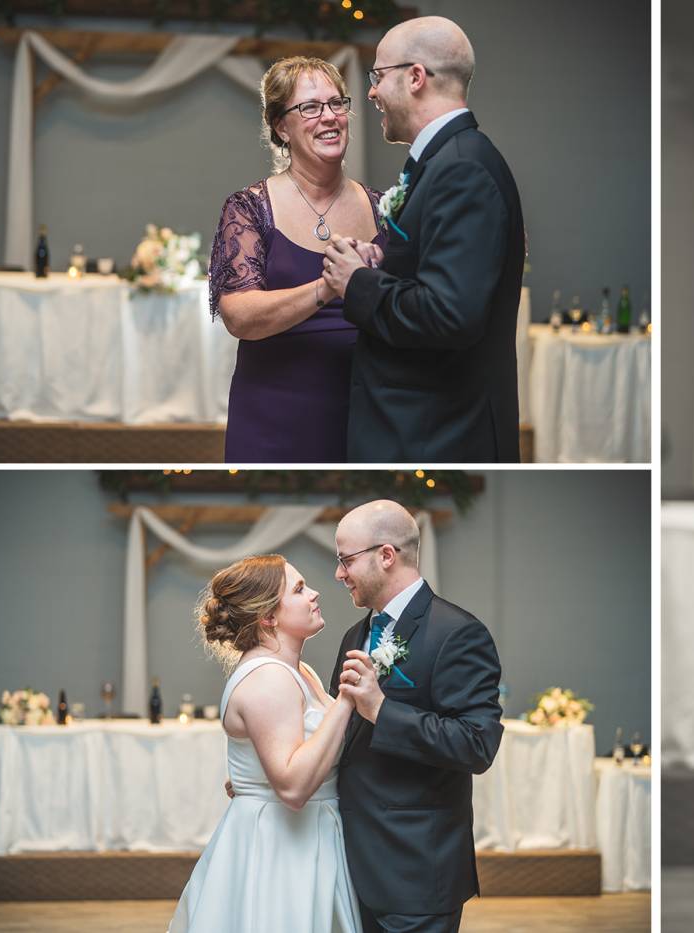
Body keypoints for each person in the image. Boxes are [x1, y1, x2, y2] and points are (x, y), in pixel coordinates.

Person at [322, 16, 526, 463]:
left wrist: (357, 282)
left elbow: (450, 315)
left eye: (378, 76)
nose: (371, 92)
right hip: (424, 425)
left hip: (438, 432)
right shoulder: (448, 160)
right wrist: (381, 266)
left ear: (415, 77)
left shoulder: (462, 169)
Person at [330, 499, 504, 932]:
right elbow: (341, 738)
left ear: (386, 555)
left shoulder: (457, 633)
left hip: (417, 871)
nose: (338, 574)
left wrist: (382, 710)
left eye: (346, 560)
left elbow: (477, 744)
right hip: (351, 867)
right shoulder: (354, 635)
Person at [170, 555, 362, 932]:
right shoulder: (268, 679)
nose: (314, 593)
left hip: (309, 836)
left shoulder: (298, 671)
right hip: (279, 849)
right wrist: (346, 701)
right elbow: (292, 787)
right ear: (269, 617)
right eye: (299, 589)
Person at [209, 56, 386, 462]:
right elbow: (240, 316)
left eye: (336, 103)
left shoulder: (384, 208)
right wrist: (329, 286)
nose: (329, 117)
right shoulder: (249, 209)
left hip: (368, 414)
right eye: (310, 107)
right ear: (281, 127)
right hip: (274, 417)